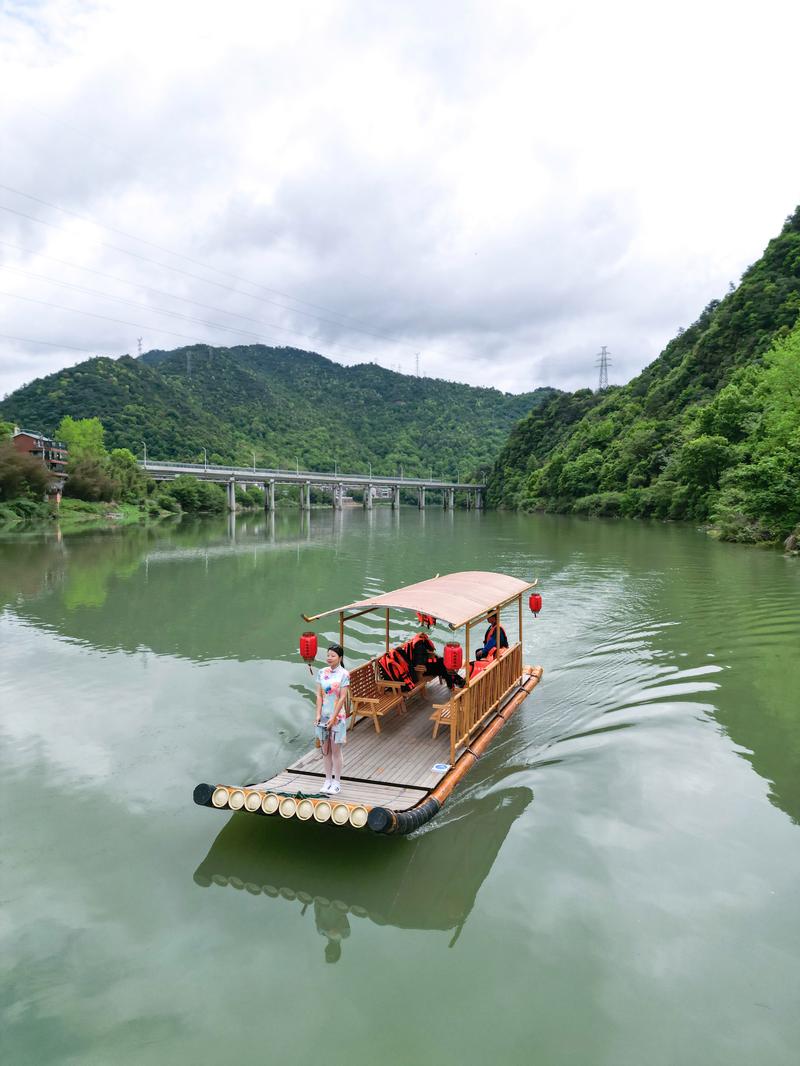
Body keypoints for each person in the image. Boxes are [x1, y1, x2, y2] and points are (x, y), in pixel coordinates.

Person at [315, 643, 350, 794]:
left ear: (340, 657)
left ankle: (337, 782)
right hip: (323, 716)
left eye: (333, 655)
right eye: (328, 655)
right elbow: (319, 695)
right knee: (325, 750)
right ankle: (327, 780)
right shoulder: (321, 672)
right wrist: (317, 714)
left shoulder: (344, 674)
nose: (329, 658)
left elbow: (342, 698)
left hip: (338, 717)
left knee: (336, 751)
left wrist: (334, 717)